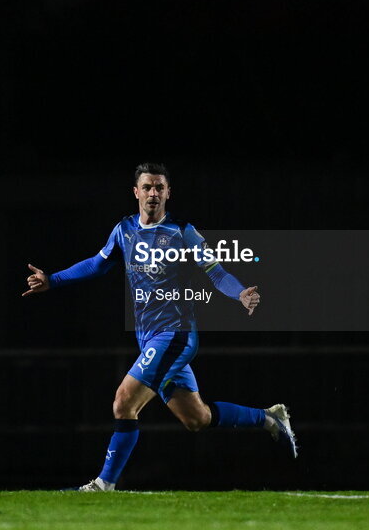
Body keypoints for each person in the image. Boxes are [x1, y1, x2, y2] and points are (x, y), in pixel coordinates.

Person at [23, 162, 297, 492]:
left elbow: (215, 271)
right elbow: (97, 264)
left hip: (175, 334)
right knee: (197, 419)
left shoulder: (183, 232)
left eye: (160, 187)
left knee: (124, 401)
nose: (154, 193)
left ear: (168, 193)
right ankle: (270, 418)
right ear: (136, 192)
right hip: (150, 338)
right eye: (148, 187)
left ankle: (103, 485)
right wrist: (52, 280)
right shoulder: (124, 230)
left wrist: (239, 292)